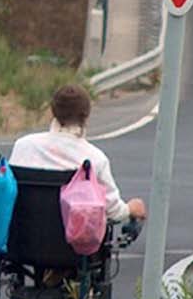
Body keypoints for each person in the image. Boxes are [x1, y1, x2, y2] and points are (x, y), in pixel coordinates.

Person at [9, 83, 147, 224]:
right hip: (74, 243)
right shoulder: (95, 159)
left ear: (53, 111)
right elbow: (113, 211)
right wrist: (130, 208)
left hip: (23, 240)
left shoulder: (23, 146)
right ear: (86, 115)